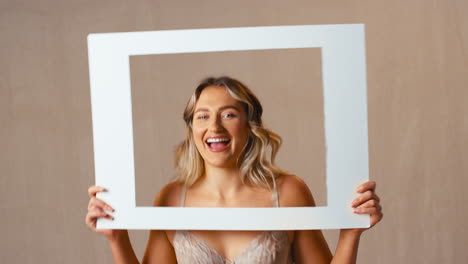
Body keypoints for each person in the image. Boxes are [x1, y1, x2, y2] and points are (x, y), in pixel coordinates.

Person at [86, 76, 383, 264]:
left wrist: (350, 234)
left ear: (249, 126)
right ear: (192, 129)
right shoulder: (172, 197)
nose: (214, 127)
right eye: (203, 116)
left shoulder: (288, 192)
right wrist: (117, 238)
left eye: (228, 114)